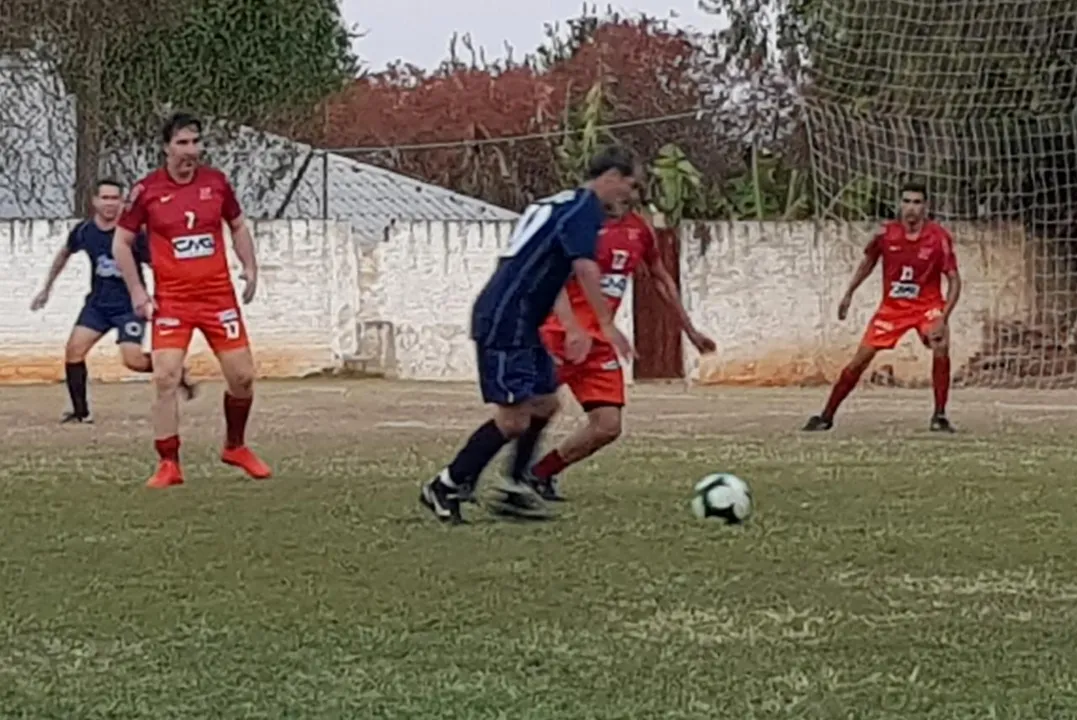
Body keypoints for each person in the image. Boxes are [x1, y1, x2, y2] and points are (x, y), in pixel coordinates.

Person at [420, 145, 639, 524]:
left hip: (523, 318)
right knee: (513, 419)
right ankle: (446, 483)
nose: (632, 197)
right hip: (507, 318)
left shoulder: (560, 204)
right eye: (631, 186)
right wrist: (605, 324)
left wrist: (571, 325)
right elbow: (585, 268)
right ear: (612, 177)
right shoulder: (584, 209)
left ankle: (513, 486)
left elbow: (545, 268)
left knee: (544, 403)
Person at [518, 184, 717, 501]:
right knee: (521, 414)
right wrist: (568, 327)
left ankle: (538, 474)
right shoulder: (578, 226)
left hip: (598, 345)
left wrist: (689, 330)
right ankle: (466, 476)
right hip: (558, 336)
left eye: (633, 187)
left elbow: (661, 279)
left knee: (607, 427)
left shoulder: (640, 231)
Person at [112, 112, 271, 488]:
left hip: (218, 298)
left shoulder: (216, 183)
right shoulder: (146, 190)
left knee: (243, 378)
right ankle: (169, 462)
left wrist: (250, 267)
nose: (192, 150)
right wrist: (137, 290)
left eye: (196, 142)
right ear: (166, 147)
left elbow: (238, 225)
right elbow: (121, 241)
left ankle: (235, 446)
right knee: (165, 375)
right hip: (174, 301)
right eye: (183, 143)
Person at [30, 179, 196, 423]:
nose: (110, 204)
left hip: (129, 307)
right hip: (97, 306)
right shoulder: (84, 231)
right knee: (74, 351)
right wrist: (46, 288)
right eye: (105, 198)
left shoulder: (132, 234)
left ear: (122, 202)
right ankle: (80, 413)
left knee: (134, 361)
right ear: (95, 201)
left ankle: (175, 371)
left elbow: (156, 265)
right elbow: (64, 253)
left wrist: (170, 294)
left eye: (115, 198)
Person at [803, 180, 962, 432]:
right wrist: (849, 293)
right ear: (899, 204)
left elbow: (954, 280)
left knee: (941, 344)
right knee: (860, 359)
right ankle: (826, 415)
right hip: (892, 308)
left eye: (917, 202)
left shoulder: (938, 237)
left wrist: (944, 315)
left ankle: (939, 415)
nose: (911, 207)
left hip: (927, 306)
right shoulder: (885, 234)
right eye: (907, 201)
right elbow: (868, 263)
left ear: (926, 207)